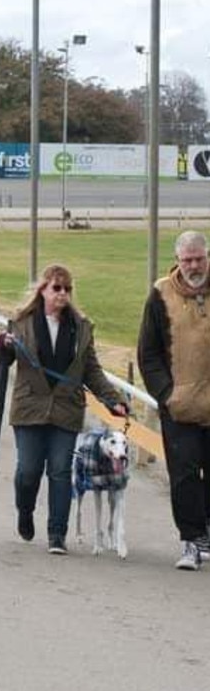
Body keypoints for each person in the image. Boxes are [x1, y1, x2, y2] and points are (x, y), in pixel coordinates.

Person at [9, 264, 127, 556]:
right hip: (30, 406)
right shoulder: (21, 322)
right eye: (56, 288)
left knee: (60, 471)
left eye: (67, 289)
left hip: (66, 409)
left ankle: (56, 533)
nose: (62, 294)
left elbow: (92, 370)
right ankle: (25, 510)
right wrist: (0, 348)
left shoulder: (80, 328)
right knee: (28, 471)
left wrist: (113, 400)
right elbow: (5, 355)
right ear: (43, 291)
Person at [138, 231, 210, 570]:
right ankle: (191, 540)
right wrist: (166, 395)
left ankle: (206, 533)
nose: (194, 266)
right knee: (183, 476)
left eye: (199, 259)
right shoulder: (160, 293)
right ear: (178, 260)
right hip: (179, 406)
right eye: (187, 260)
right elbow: (148, 353)